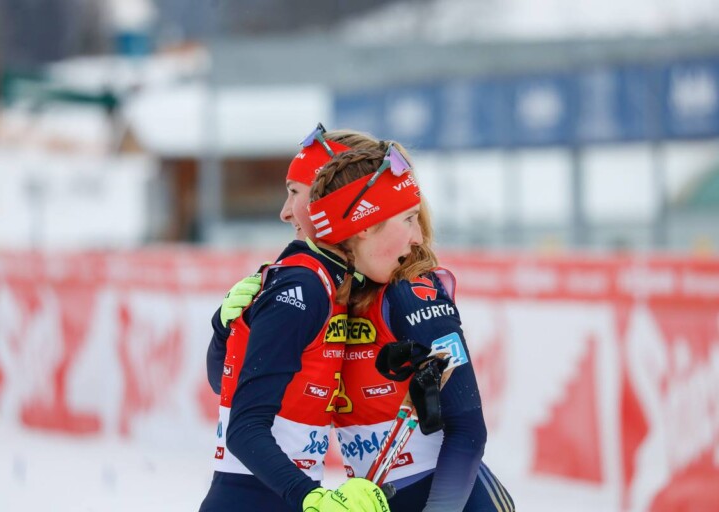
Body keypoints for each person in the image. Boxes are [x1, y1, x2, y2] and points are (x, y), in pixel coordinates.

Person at [212, 127, 514, 511]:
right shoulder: (331, 292)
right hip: (378, 497)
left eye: (295, 192)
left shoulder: (409, 291)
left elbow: (468, 430)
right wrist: (227, 330)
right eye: (407, 220)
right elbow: (247, 396)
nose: (289, 211)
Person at [198, 129, 418, 512]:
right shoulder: (305, 284)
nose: (285, 211)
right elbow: (243, 420)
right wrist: (314, 498)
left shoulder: (339, 285)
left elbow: (243, 390)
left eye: (294, 192)